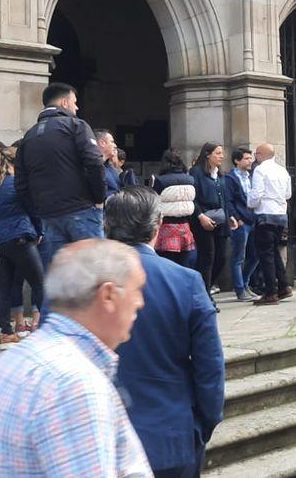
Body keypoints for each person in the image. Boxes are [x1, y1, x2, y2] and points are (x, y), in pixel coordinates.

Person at [0, 239, 149, 476]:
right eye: (137, 289)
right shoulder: (75, 387)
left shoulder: (17, 360)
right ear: (108, 295)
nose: (140, 302)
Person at [104, 187, 224, 477]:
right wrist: (203, 424)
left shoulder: (74, 281)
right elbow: (210, 366)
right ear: (158, 225)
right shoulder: (185, 281)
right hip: (169, 436)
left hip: (98, 441)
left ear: (106, 225)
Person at [14, 82, 106, 271]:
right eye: (75, 102)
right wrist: (99, 197)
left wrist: (37, 211)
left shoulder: (28, 137)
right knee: (94, 274)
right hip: (81, 210)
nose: (76, 107)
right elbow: (95, 162)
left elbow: (21, 184)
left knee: (58, 280)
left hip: (48, 216)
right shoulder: (76, 125)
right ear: (64, 102)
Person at [0, 148, 44, 343]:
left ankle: (7, 331)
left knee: (4, 287)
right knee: (39, 283)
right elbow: (33, 209)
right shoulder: (18, 184)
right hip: (20, 237)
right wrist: (39, 231)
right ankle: (46, 325)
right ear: (12, 164)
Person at [248, 143, 293, 305]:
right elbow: (288, 193)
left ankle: (270, 292)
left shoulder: (260, 170)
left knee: (266, 255)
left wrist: (251, 203)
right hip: (281, 215)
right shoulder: (282, 170)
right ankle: (283, 285)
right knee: (274, 251)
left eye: (256, 154)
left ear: (261, 155)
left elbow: (257, 193)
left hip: (265, 214)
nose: (255, 157)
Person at [190, 142, 232, 301]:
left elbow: (224, 199)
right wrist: (200, 216)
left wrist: (230, 217)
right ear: (208, 154)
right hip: (203, 219)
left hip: (221, 219)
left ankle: (205, 286)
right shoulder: (196, 172)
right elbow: (192, 198)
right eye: (218, 153)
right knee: (207, 257)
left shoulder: (220, 175)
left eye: (222, 153)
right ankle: (205, 296)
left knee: (221, 257)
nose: (222, 156)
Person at [150, 149, 198, 268]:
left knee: (166, 263)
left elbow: (153, 200)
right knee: (184, 263)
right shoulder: (190, 179)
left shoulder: (160, 180)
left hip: (166, 226)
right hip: (185, 226)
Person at [226, 147, 258, 301]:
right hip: (241, 222)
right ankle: (240, 289)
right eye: (246, 158)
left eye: (250, 158)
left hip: (253, 219)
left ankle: (245, 283)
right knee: (238, 257)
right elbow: (229, 201)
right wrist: (236, 217)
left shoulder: (251, 176)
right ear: (237, 160)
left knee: (255, 255)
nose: (250, 161)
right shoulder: (230, 178)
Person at [94, 129, 121, 197]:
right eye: (112, 142)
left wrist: (115, 163)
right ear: (102, 143)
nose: (115, 145)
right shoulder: (91, 166)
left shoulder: (108, 165)